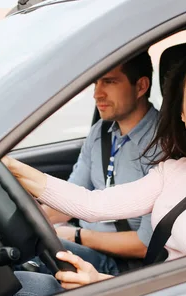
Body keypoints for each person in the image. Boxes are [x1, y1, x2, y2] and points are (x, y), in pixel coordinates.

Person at [3, 42, 186, 296]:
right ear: (181, 111)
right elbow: (93, 204)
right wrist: (12, 167)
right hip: (160, 295)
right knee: (21, 283)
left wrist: (101, 284)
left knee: (21, 292)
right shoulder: (176, 169)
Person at [30, 51, 159, 277]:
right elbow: (68, 202)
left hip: (123, 265)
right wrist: (30, 219)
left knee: (32, 255)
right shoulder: (101, 132)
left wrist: (77, 236)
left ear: (140, 86)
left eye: (109, 82)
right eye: (96, 82)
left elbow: (145, 244)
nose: (97, 94)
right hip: (87, 244)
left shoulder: (161, 144)